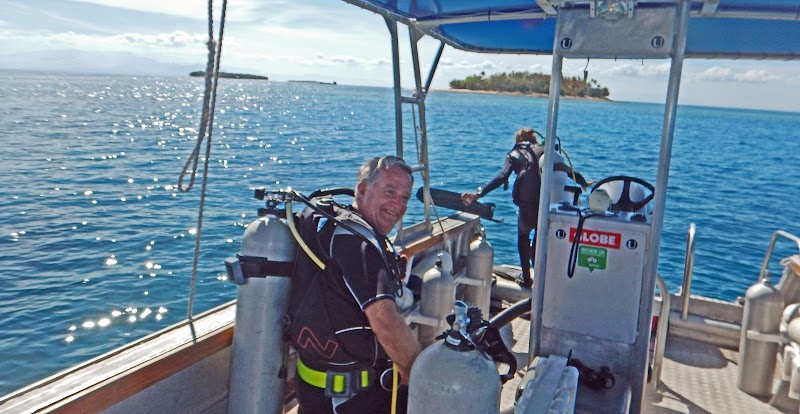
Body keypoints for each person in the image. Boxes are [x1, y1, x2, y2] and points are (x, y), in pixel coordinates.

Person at [289, 156, 422, 414]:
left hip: (317, 388)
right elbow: (385, 323)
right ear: (361, 190)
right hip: (347, 397)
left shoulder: (336, 227)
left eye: (405, 197)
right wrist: (419, 374)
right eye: (390, 191)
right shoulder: (358, 244)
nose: (399, 204)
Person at [461, 128, 592, 288]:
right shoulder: (547, 152)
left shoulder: (515, 154)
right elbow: (566, 170)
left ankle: (527, 279)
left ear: (518, 139)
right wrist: (583, 182)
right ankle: (540, 280)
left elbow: (503, 176)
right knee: (539, 242)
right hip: (546, 207)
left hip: (527, 208)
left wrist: (478, 194)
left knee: (523, 238)